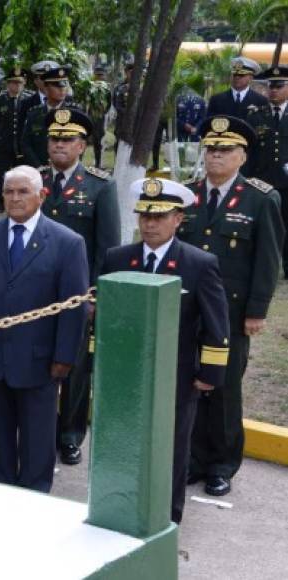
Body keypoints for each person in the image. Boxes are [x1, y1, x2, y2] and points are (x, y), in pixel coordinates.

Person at [102, 177, 230, 523]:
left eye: (159, 216)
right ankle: (120, 506)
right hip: (126, 374)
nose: (150, 223)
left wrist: (210, 374)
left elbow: (216, 326)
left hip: (176, 375)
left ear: (178, 219)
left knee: (171, 449)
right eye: (144, 216)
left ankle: (167, 517)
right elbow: (103, 319)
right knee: (123, 443)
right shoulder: (117, 258)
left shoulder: (198, 263)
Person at [0, 165, 88, 492]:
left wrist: (65, 357)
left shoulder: (67, 243)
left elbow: (74, 308)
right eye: (8, 191)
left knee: (37, 438)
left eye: (22, 191)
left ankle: (33, 497)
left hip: (40, 360)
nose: (14, 198)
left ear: (41, 196)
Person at [178, 115, 284, 496]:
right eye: (211, 149)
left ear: (242, 156)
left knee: (223, 391)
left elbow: (268, 260)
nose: (215, 156)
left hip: (231, 313)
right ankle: (193, 459)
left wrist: (257, 310)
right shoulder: (186, 195)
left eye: (225, 150)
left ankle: (222, 465)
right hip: (187, 311)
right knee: (190, 383)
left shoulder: (260, 198)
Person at [39, 108, 121, 465]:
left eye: (67, 139)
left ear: (82, 145)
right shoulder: (33, 180)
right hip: (34, 294)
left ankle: (70, 435)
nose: (59, 144)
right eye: (54, 138)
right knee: (36, 361)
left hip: (77, 297)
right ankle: (38, 428)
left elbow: (107, 248)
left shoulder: (99, 186)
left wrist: (95, 296)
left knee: (74, 369)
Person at [247, 66, 288, 280]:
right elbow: (250, 150)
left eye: (279, 86)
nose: (273, 90)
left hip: (287, 183)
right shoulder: (257, 115)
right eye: (271, 86)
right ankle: (262, 266)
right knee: (262, 226)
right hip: (262, 181)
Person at [0, 65, 32, 211]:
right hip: (4, 144)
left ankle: (22, 201)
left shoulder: (28, 100)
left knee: (22, 174)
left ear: (24, 83)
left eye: (19, 83)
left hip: (21, 145)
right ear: (8, 83)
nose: (16, 86)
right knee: (1, 174)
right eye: (13, 82)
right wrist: (2, 135)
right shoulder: (0, 99)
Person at [21, 66, 80, 168]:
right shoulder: (34, 114)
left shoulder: (74, 113)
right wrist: (38, 166)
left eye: (64, 86)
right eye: (57, 86)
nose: (62, 90)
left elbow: (80, 142)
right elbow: (26, 144)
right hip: (38, 170)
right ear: (46, 89)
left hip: (65, 169)